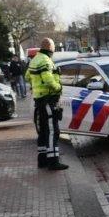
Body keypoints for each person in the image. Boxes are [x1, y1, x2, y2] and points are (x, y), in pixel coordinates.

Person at [27, 38, 67, 171]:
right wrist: (58, 87)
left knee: (44, 131)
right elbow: (48, 80)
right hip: (48, 99)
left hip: (40, 100)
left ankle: (43, 159)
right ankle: (53, 161)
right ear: (49, 46)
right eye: (54, 46)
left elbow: (28, 76)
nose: (54, 49)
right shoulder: (45, 60)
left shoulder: (35, 59)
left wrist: (36, 85)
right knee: (52, 131)